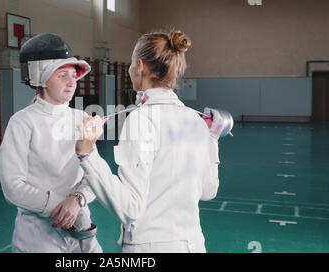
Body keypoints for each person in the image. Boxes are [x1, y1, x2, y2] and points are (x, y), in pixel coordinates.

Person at [75, 29, 224, 253]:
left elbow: (129, 208)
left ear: (141, 66)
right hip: (194, 245)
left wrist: (88, 155)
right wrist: (212, 139)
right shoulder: (196, 120)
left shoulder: (141, 120)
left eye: (132, 62)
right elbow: (208, 190)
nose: (130, 68)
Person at [0, 33, 102, 253]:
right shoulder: (22, 122)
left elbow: (95, 175)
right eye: (62, 75)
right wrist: (61, 207)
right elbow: (12, 187)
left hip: (81, 225)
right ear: (42, 79)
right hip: (37, 235)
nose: (71, 82)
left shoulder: (80, 118)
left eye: (74, 75)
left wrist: (76, 201)